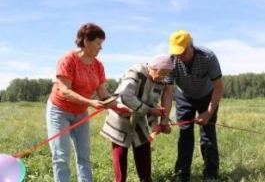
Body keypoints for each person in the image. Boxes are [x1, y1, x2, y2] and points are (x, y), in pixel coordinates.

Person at [45, 23, 113, 182]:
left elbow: (103, 92)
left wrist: (119, 106)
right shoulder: (68, 59)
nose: (100, 48)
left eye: (101, 44)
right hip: (59, 111)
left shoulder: (98, 65)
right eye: (98, 43)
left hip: (81, 113)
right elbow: (65, 91)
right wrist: (90, 102)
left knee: (84, 155)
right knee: (61, 156)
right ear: (85, 41)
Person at [100, 54, 174, 182]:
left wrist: (154, 124)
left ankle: (146, 179)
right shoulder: (136, 71)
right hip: (120, 115)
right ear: (154, 68)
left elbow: (152, 104)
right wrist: (149, 110)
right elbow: (125, 96)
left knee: (143, 148)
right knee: (120, 152)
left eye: (166, 74)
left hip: (138, 117)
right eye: (162, 73)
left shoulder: (160, 82)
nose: (163, 78)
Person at [161, 30, 223, 182]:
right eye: (176, 53)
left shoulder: (208, 57)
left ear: (191, 47)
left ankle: (211, 174)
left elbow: (219, 87)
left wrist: (208, 113)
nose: (179, 57)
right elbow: (168, 92)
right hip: (184, 97)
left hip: (207, 96)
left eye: (182, 53)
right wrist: (164, 118)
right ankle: (182, 175)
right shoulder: (171, 61)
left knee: (208, 136)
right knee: (184, 135)